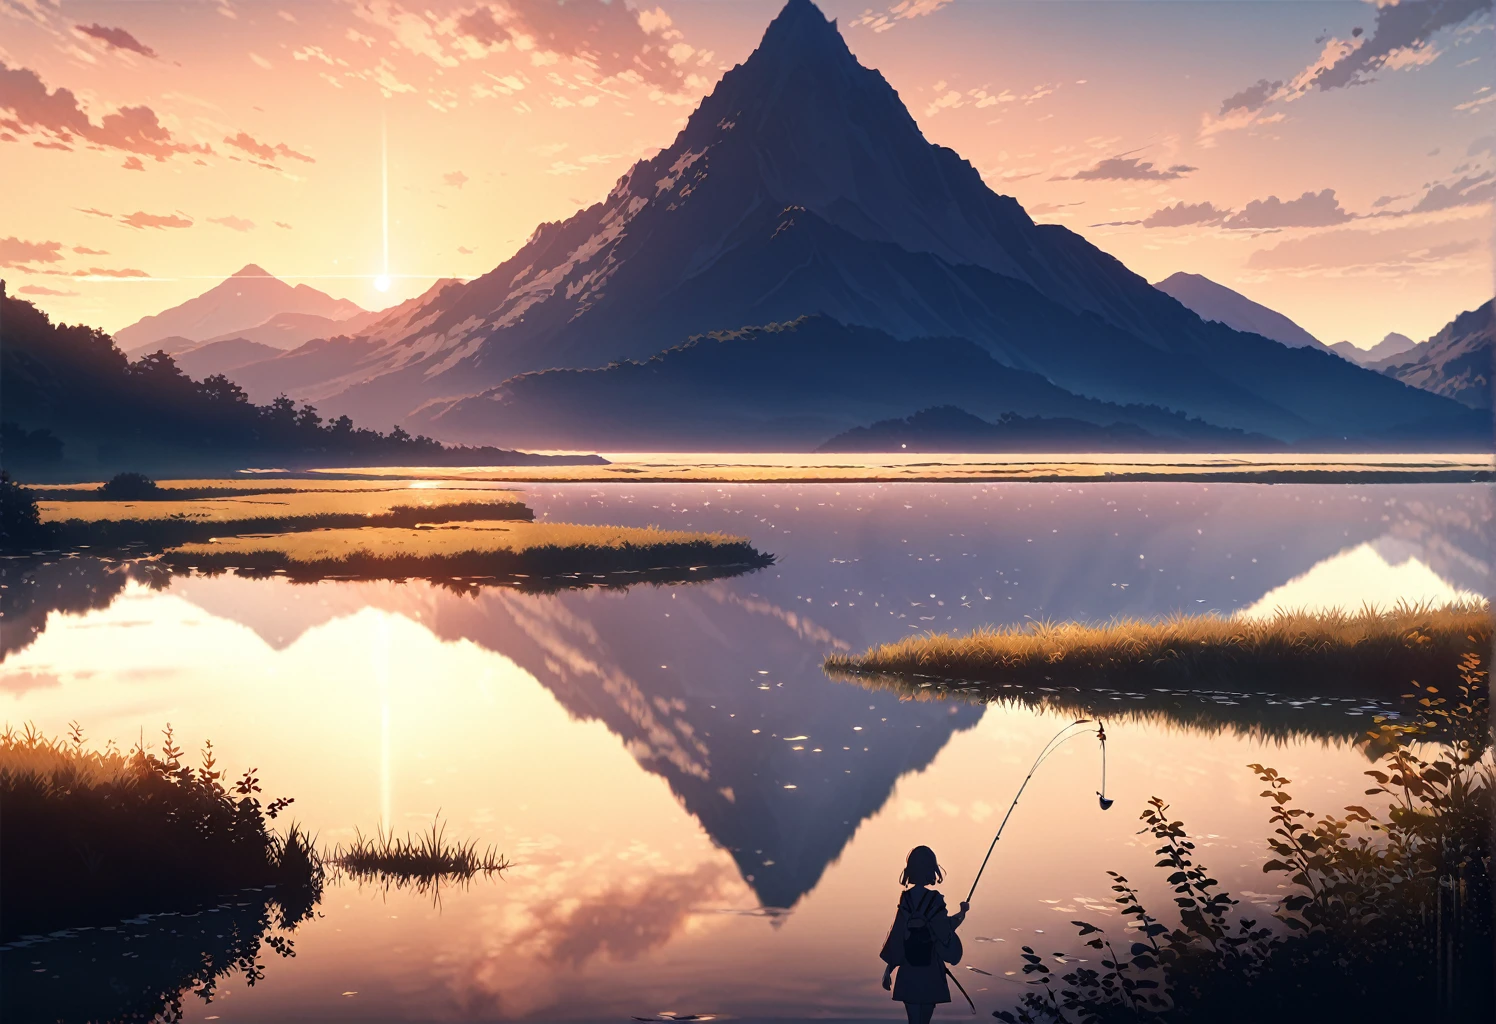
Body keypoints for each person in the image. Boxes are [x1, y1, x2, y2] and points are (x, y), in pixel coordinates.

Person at [879, 845, 969, 1023]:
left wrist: (888, 969)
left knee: (913, 1020)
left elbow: (897, 935)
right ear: (931, 870)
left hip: (908, 971)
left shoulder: (905, 899)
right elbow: (945, 931)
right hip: (930, 972)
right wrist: (962, 913)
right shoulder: (935, 900)